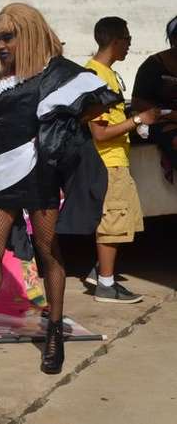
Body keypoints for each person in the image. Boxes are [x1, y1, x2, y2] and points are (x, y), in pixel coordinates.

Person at [0, 3, 120, 375]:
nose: (2, 44)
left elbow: (91, 103)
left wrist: (69, 130)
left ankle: (53, 331)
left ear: (29, 35)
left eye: (9, 36)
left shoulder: (54, 74)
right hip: (4, 176)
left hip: (41, 175)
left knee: (48, 253)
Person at [85, 17, 159, 303]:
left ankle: (101, 272)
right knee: (113, 223)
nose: (129, 45)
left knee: (124, 220)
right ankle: (105, 285)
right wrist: (140, 119)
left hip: (117, 159)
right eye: (127, 39)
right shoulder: (94, 78)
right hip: (108, 160)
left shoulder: (107, 74)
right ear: (116, 40)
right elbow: (100, 132)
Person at [131, 15, 177, 181]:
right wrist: (169, 114)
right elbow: (137, 101)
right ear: (173, 39)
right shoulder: (152, 66)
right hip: (162, 120)